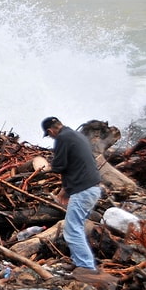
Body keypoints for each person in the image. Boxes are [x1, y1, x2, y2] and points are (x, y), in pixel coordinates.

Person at [41, 117, 102, 276]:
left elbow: (59, 166)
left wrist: (49, 166)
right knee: (78, 227)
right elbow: (74, 167)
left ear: (50, 131)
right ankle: (79, 262)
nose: (52, 138)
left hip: (83, 191)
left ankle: (87, 268)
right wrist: (65, 190)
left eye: (49, 136)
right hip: (92, 189)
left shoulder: (62, 137)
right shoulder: (75, 135)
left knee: (71, 230)